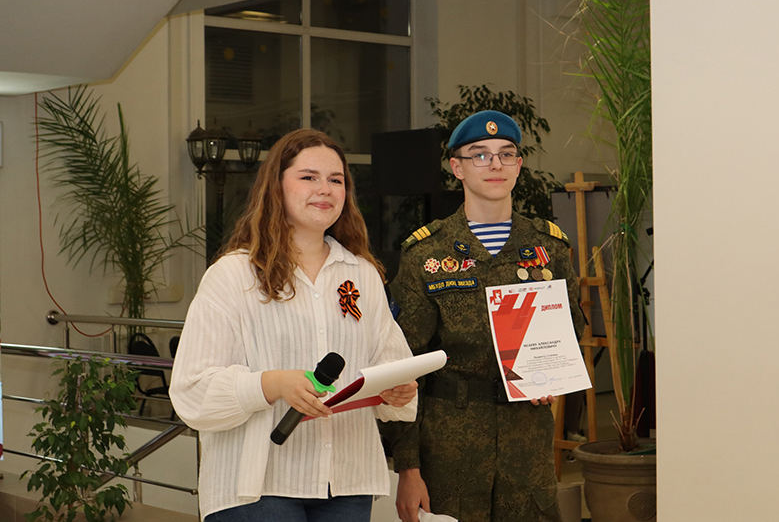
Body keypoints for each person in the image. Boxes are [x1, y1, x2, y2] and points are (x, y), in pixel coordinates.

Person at [170, 129, 418, 522]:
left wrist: (397, 389)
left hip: (348, 482)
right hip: (257, 486)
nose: (325, 189)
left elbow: (389, 363)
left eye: (336, 180)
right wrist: (272, 384)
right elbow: (192, 391)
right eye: (308, 177)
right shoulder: (233, 274)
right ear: (277, 186)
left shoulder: (363, 274)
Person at [381, 110, 585, 522]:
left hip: (526, 441)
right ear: (457, 167)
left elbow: (571, 328)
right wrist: (408, 468)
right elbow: (402, 365)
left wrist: (551, 374)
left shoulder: (549, 247)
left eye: (506, 154)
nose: (495, 164)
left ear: (518, 165)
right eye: (480, 155)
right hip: (449, 444)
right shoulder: (427, 253)